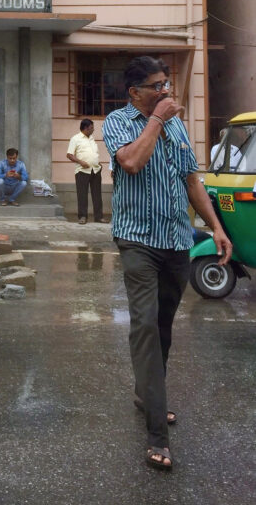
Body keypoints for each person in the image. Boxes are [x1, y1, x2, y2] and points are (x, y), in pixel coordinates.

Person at [102, 55, 232, 472]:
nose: (165, 92)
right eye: (156, 85)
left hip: (177, 241)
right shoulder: (119, 122)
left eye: (167, 84)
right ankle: (157, 433)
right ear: (134, 92)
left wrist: (216, 228)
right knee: (143, 324)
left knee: (162, 328)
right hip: (137, 240)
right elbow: (132, 162)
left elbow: (192, 180)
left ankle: (147, 393)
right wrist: (156, 119)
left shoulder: (178, 125)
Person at [67, 118, 105, 224]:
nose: (93, 129)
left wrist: (99, 164)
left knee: (97, 195)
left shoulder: (92, 139)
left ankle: (99, 217)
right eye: (91, 128)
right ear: (85, 128)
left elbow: (93, 154)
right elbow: (69, 155)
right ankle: (83, 217)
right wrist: (81, 162)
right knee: (82, 194)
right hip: (82, 171)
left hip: (96, 170)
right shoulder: (75, 138)